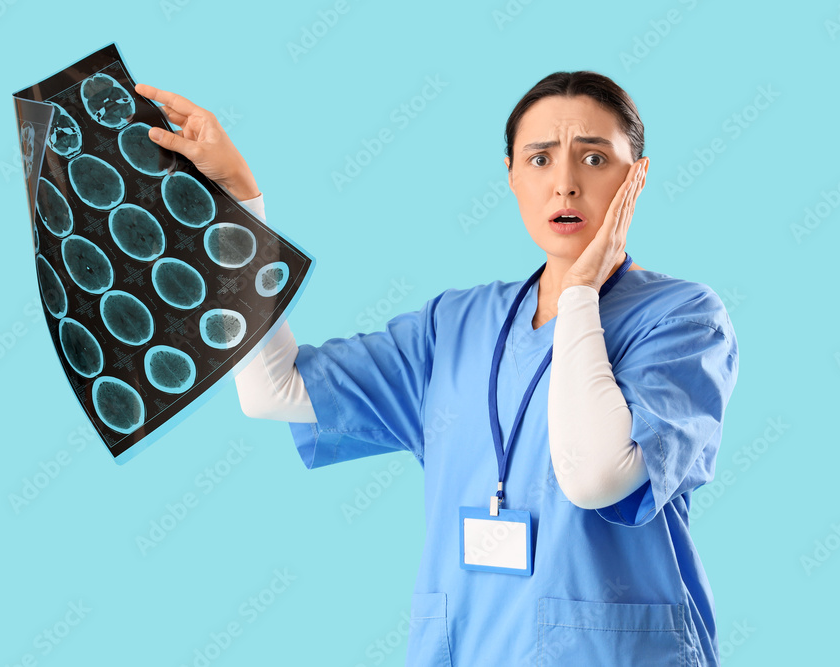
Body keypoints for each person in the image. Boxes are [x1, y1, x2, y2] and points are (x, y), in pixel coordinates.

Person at [135, 70, 739, 666]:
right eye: (538, 160)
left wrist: (580, 291)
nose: (565, 185)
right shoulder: (457, 324)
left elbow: (595, 477)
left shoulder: (683, 320)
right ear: (509, 176)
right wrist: (240, 205)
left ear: (637, 178)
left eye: (594, 159)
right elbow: (273, 388)